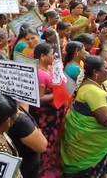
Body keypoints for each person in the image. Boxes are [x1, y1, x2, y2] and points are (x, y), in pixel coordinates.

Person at [61, 56, 107, 177]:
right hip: (88, 145)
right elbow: (106, 121)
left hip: (85, 141)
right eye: (106, 68)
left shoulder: (98, 84)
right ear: (95, 72)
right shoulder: (93, 92)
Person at [31, 43, 68, 178]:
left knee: (54, 140)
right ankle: (45, 169)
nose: (54, 56)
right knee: (47, 141)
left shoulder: (49, 68)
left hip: (55, 113)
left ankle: (52, 164)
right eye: (51, 54)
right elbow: (39, 98)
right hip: (47, 116)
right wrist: (57, 93)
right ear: (42, 56)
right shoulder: (41, 74)